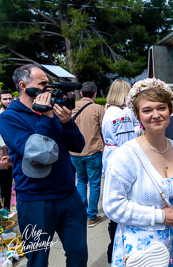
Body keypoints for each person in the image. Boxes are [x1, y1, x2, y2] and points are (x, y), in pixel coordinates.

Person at [0, 64, 87, 266]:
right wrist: (47, 118)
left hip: (68, 195)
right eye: (43, 84)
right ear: (24, 86)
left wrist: (67, 123)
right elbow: (36, 153)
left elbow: (78, 146)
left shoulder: (53, 109)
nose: (49, 88)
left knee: (79, 254)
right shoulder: (8, 119)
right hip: (34, 201)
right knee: (38, 260)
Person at [103, 80, 173, 267]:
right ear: (137, 115)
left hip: (171, 249)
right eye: (147, 110)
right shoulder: (125, 155)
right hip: (139, 254)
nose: (156, 115)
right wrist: (159, 216)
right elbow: (112, 205)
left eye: (161, 108)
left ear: (170, 110)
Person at [102, 78, 138, 263]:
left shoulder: (109, 111)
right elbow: (126, 143)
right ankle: (115, 248)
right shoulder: (122, 113)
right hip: (119, 157)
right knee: (121, 201)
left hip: (109, 153)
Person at [70, 82, 105, 228]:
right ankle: (91, 216)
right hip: (93, 151)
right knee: (95, 183)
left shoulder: (72, 107)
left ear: (82, 93)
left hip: (74, 152)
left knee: (81, 181)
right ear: (95, 94)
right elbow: (104, 130)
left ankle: (82, 213)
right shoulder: (98, 108)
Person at [0, 90, 13, 209]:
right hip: (2, 152)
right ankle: (4, 211)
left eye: (10, 98)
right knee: (4, 184)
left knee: (10, 184)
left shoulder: (16, 115)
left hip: (16, 152)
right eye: (5, 99)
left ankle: (8, 210)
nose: (8, 101)